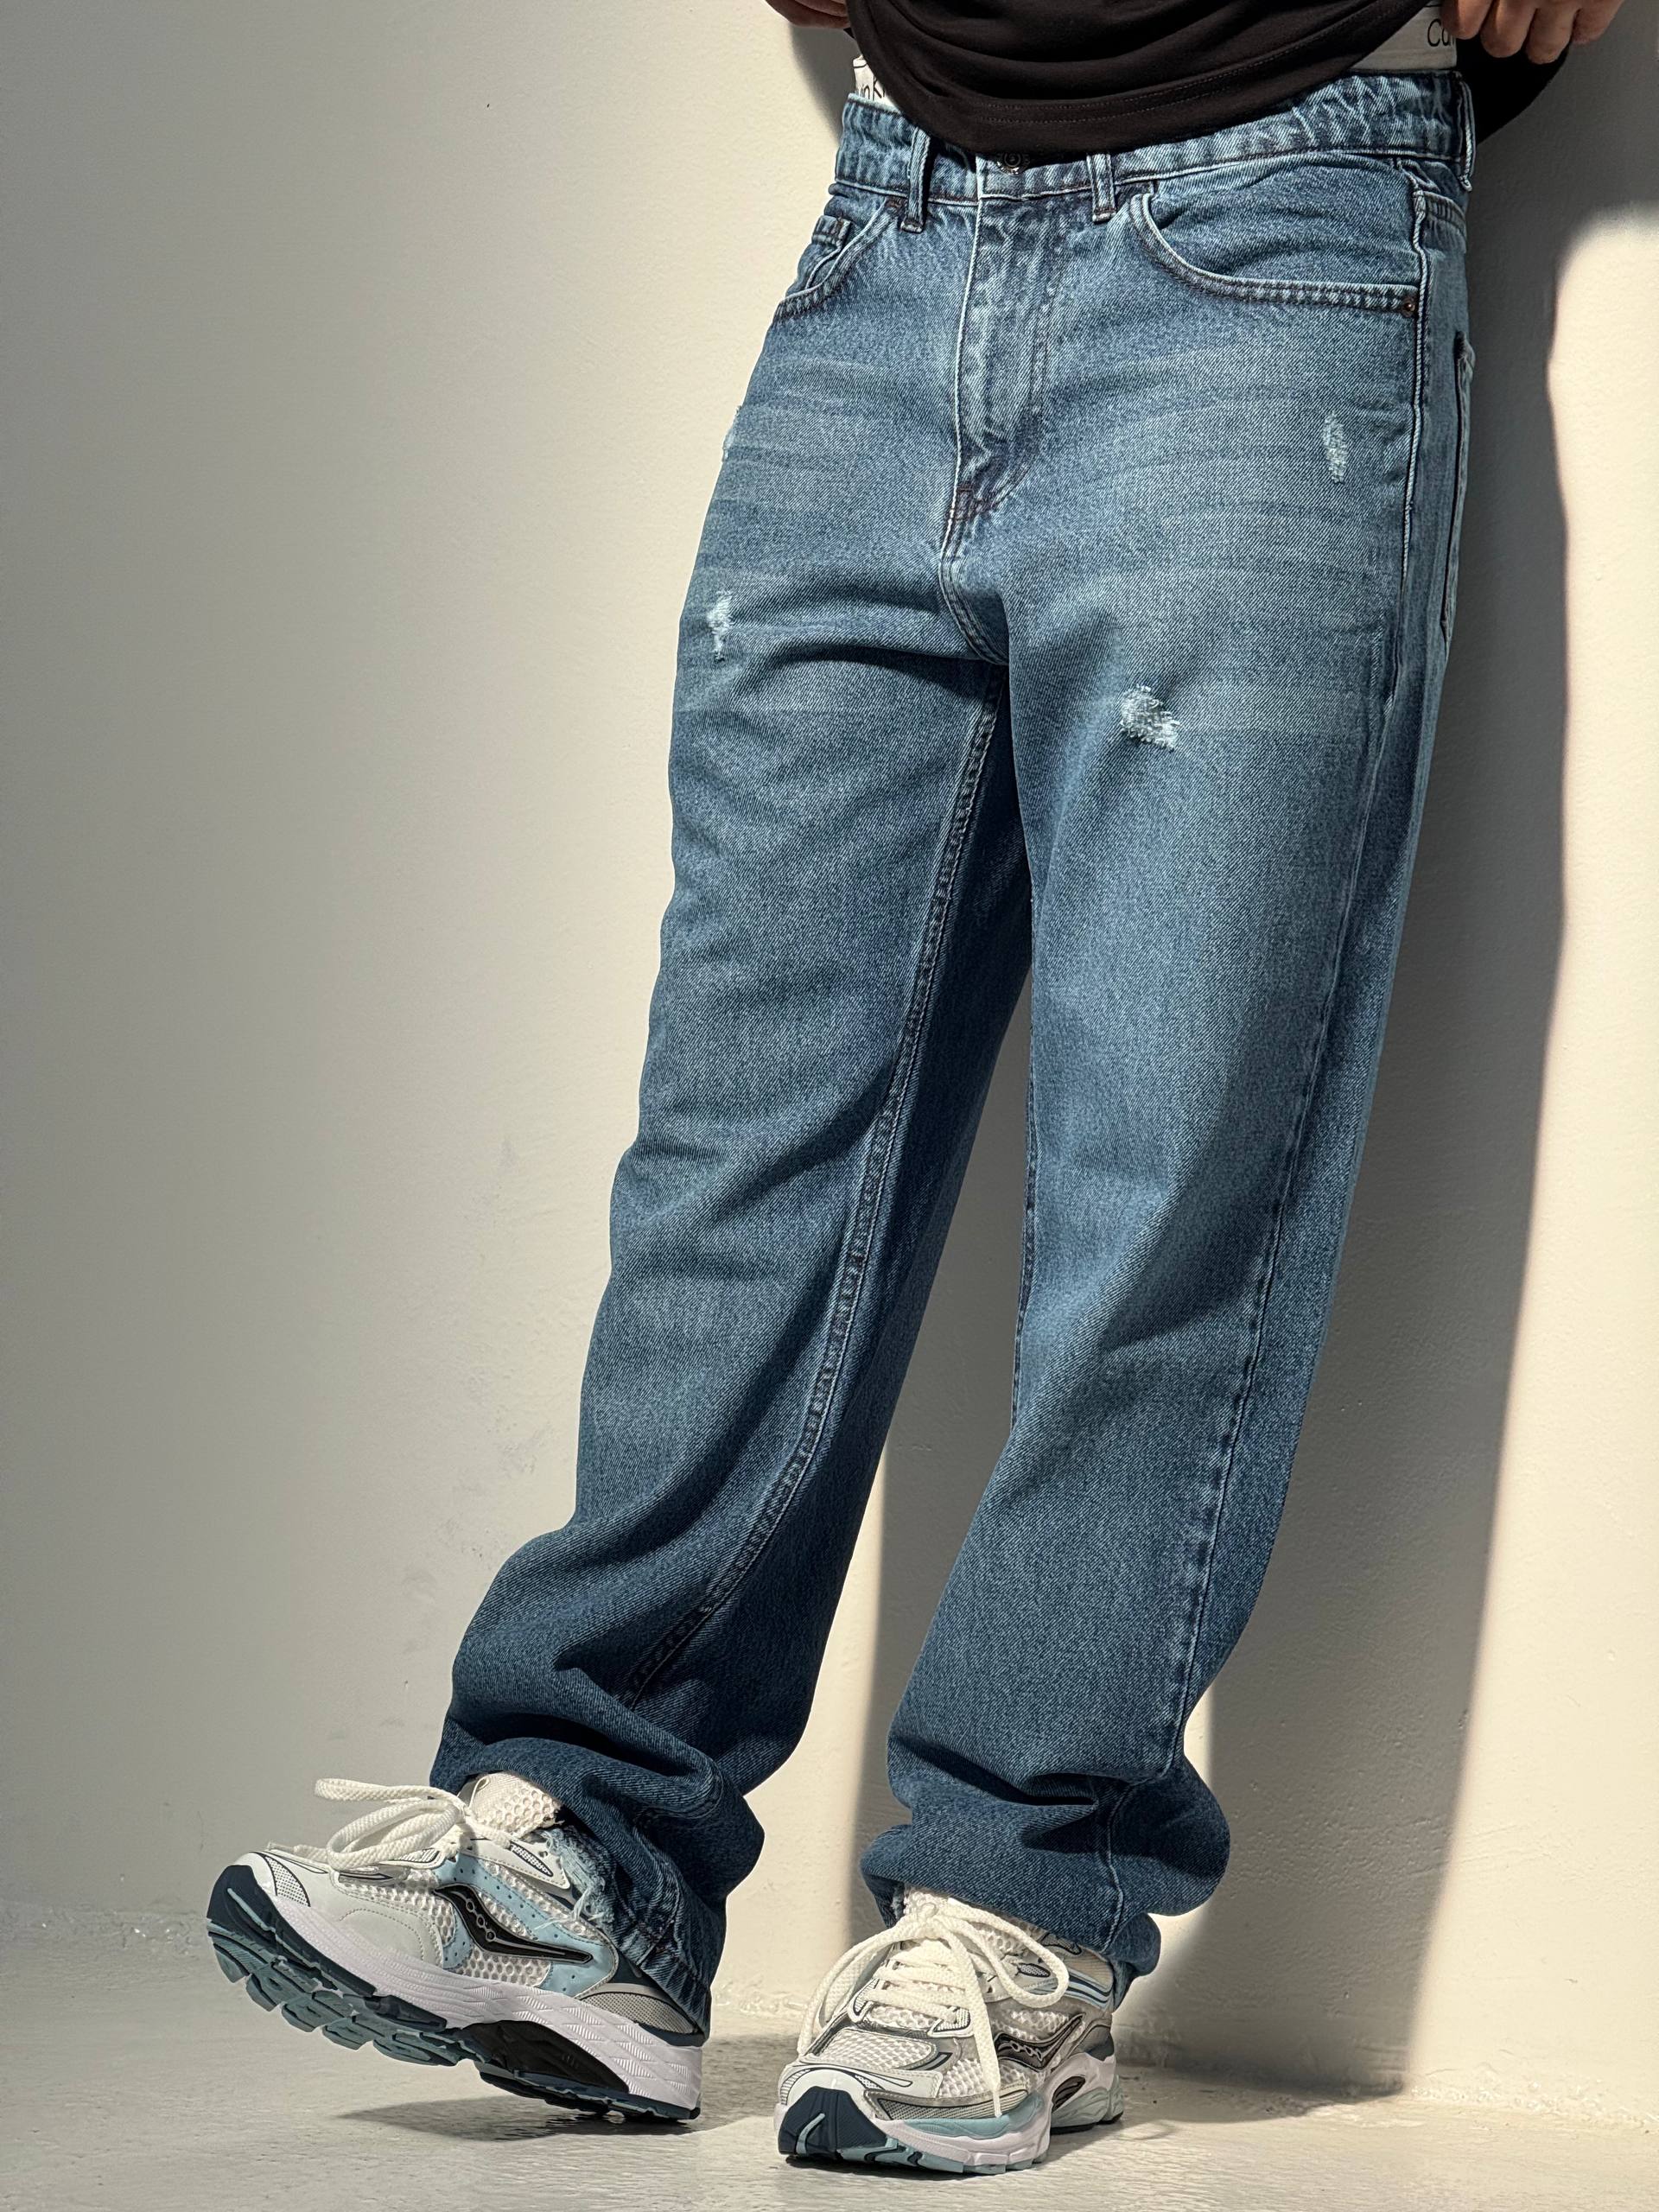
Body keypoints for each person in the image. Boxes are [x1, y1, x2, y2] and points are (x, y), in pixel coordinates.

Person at [206, 0, 1609, 2177]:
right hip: (889, 229)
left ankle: (1022, 1894)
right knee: (742, 1134)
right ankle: (589, 1852)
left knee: (1172, 1162)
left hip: (1285, 221)